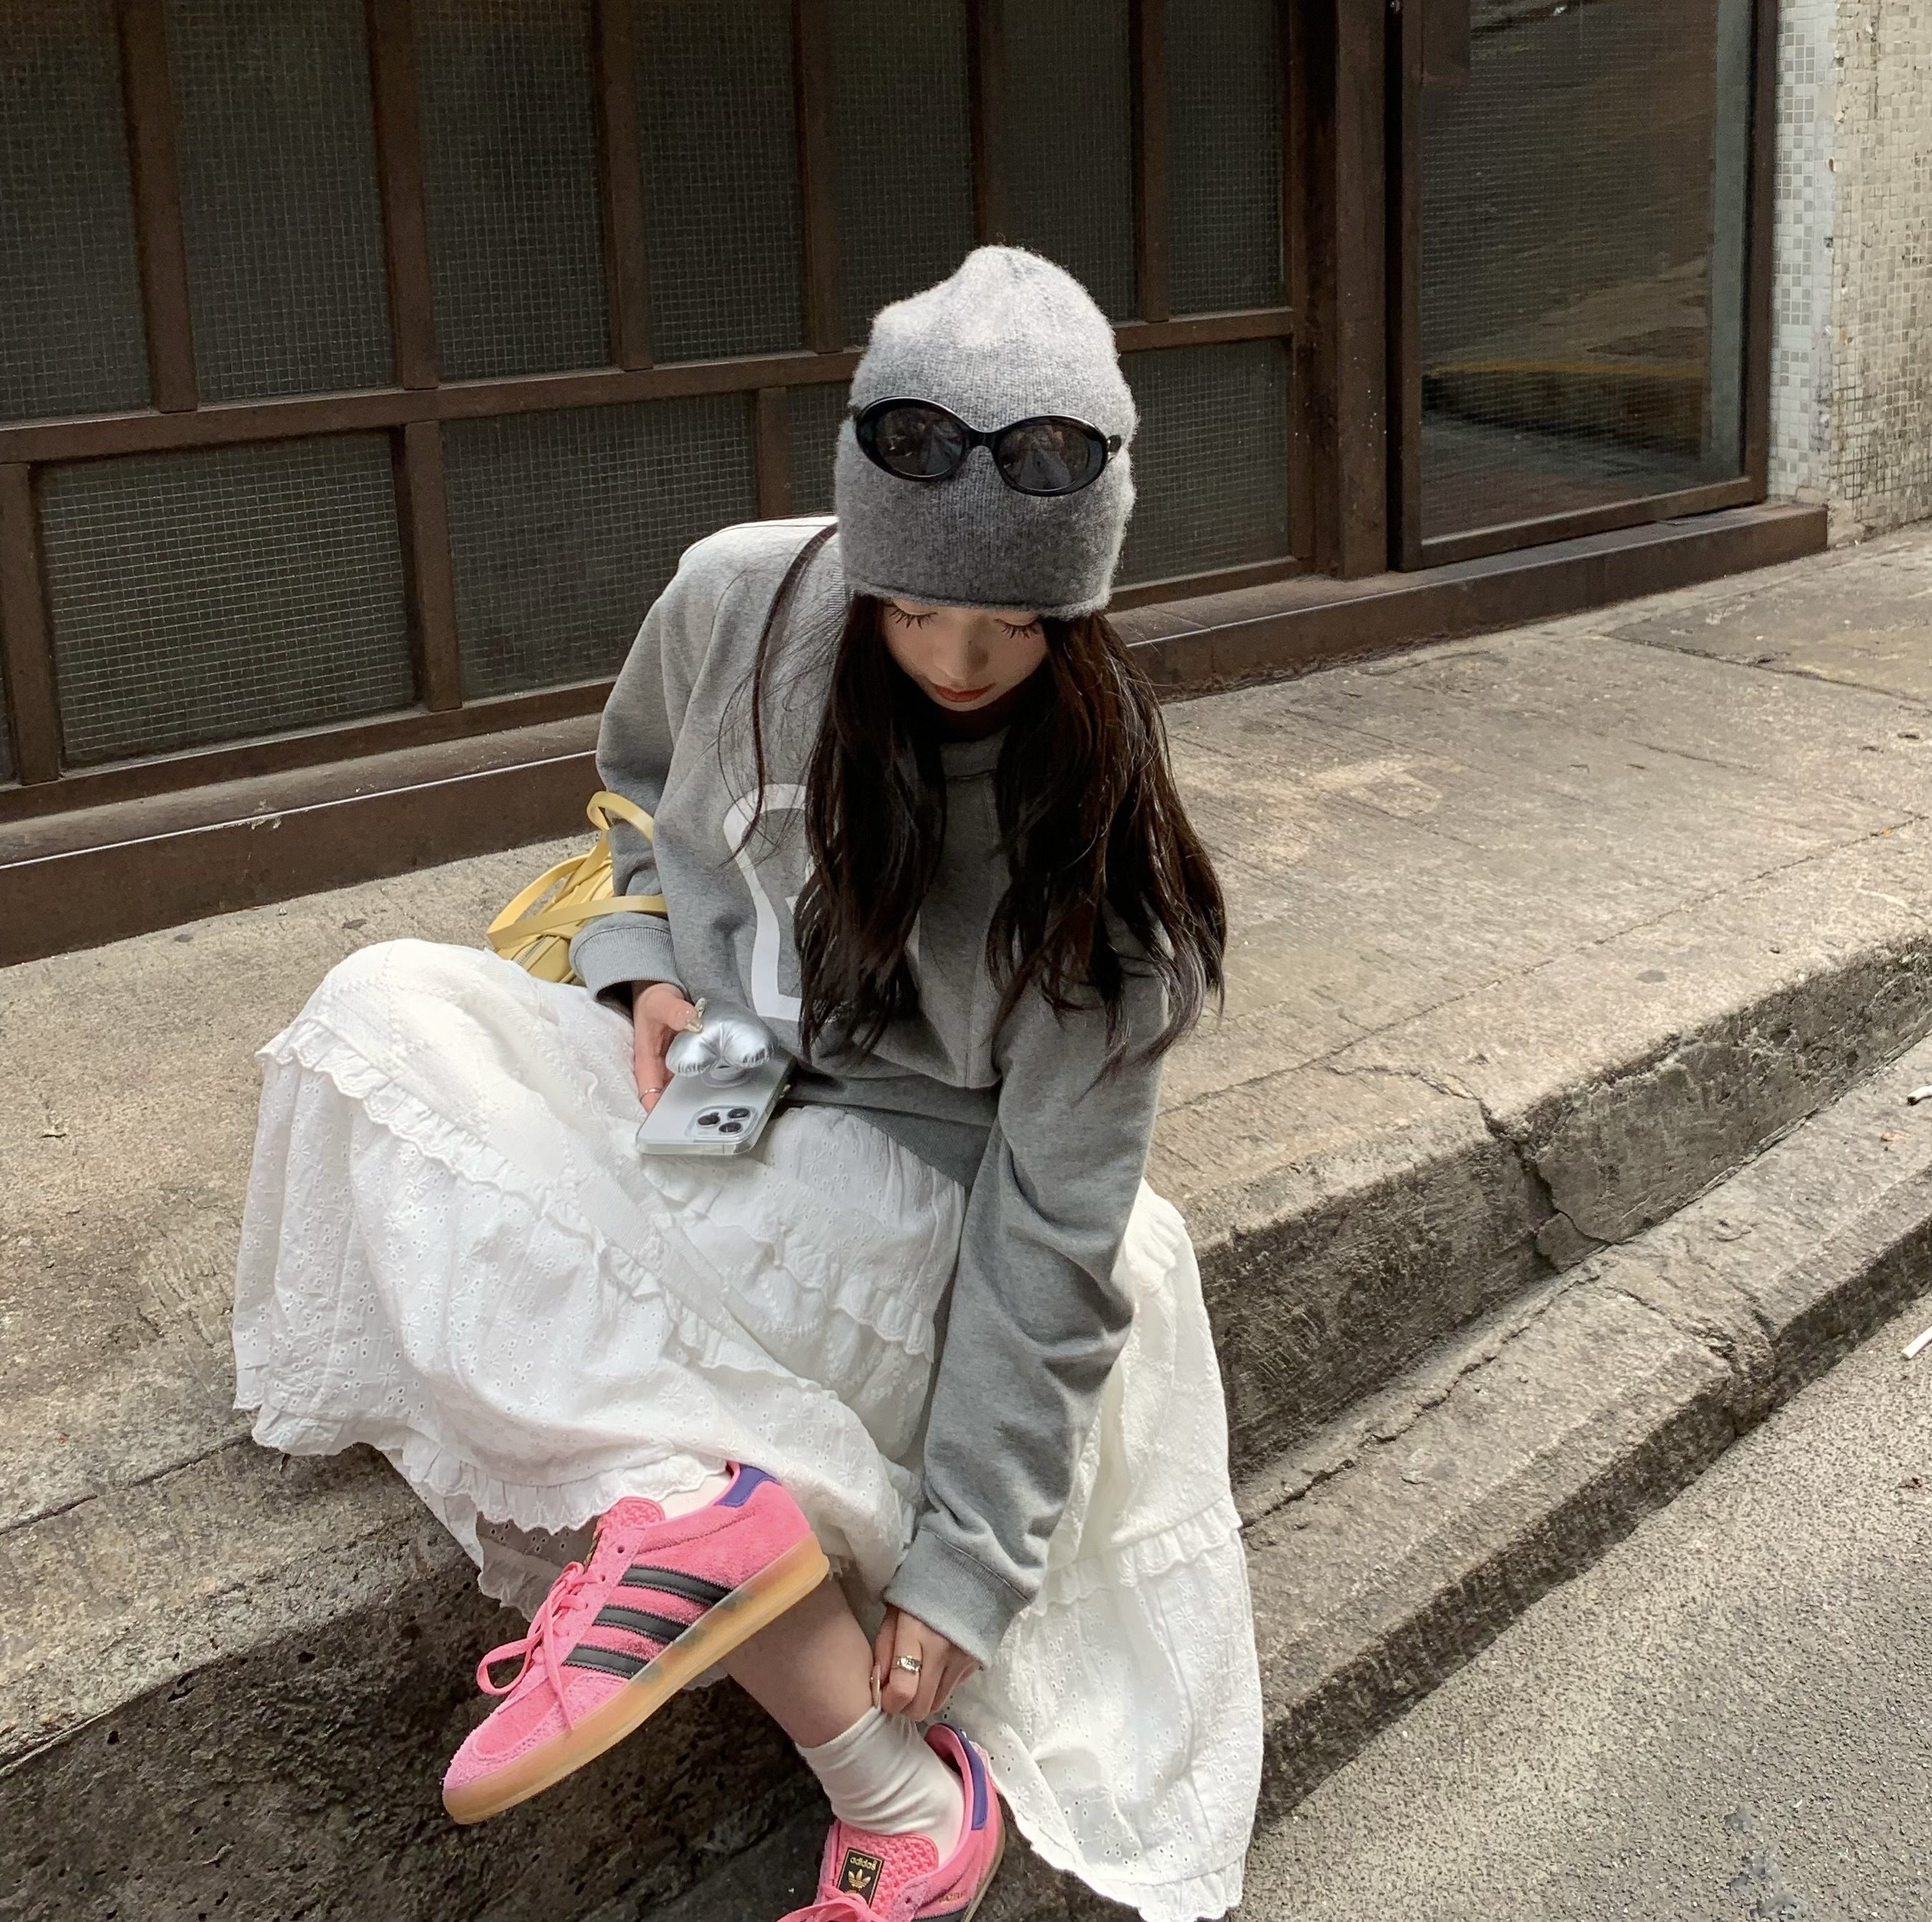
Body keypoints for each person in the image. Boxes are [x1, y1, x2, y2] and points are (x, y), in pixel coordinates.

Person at [233, 246, 1263, 1922]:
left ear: (1077, 606)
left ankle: (858, 1745)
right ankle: (698, 1512)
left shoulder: (1097, 855)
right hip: (728, 1078)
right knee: (381, 1015)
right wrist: (643, 959)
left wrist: (965, 1570)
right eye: (913, 606)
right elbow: (641, 793)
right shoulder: (737, 598)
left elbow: (1050, 1240)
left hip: (927, 1209)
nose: (956, 657)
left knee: (559, 1278)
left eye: (1015, 624)